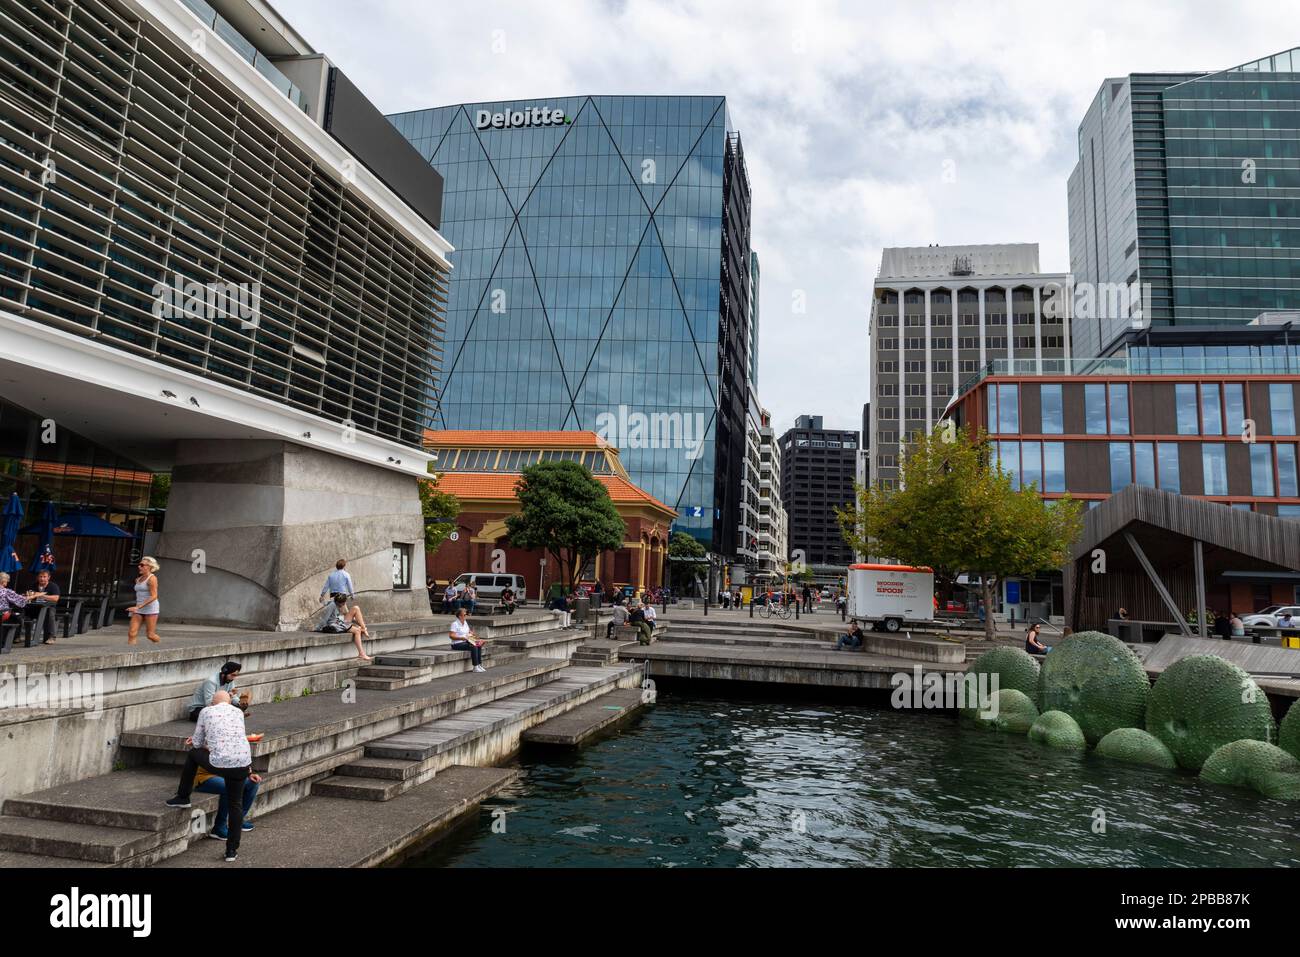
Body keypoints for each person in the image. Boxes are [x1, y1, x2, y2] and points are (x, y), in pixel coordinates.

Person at [165, 690, 253, 863]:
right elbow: (231, 739)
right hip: (242, 763)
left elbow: (198, 742)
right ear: (229, 702)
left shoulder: (206, 711)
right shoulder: (238, 713)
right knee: (236, 804)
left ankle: (183, 796)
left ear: (212, 702)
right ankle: (231, 850)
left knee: (193, 753)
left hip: (219, 762)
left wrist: (197, 742)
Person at [318, 593, 372, 661]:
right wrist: (318, 628)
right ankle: (361, 653)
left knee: (356, 610)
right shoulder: (332, 605)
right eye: (343, 603)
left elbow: (339, 616)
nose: (344, 605)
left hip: (340, 621)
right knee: (357, 629)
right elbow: (324, 619)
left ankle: (363, 630)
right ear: (339, 602)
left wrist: (356, 623)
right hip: (335, 625)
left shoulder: (338, 605)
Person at [125, 557, 160, 645]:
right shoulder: (138, 579)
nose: (139, 567)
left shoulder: (152, 579)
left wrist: (138, 606)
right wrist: (138, 607)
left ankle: (161, 646)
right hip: (139, 608)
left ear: (149, 567)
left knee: (150, 635)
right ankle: (131, 653)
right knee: (131, 633)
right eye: (139, 565)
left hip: (150, 609)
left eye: (142, 565)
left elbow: (154, 596)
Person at [449, 607, 487, 672]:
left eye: (466, 614)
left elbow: (469, 632)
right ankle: (475, 666)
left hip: (466, 641)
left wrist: (477, 638)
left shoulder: (465, 623)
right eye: (464, 615)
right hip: (457, 644)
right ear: (459, 616)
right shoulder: (454, 624)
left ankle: (479, 665)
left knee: (478, 644)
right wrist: (461, 638)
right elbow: (451, 636)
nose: (466, 616)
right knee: (474, 646)